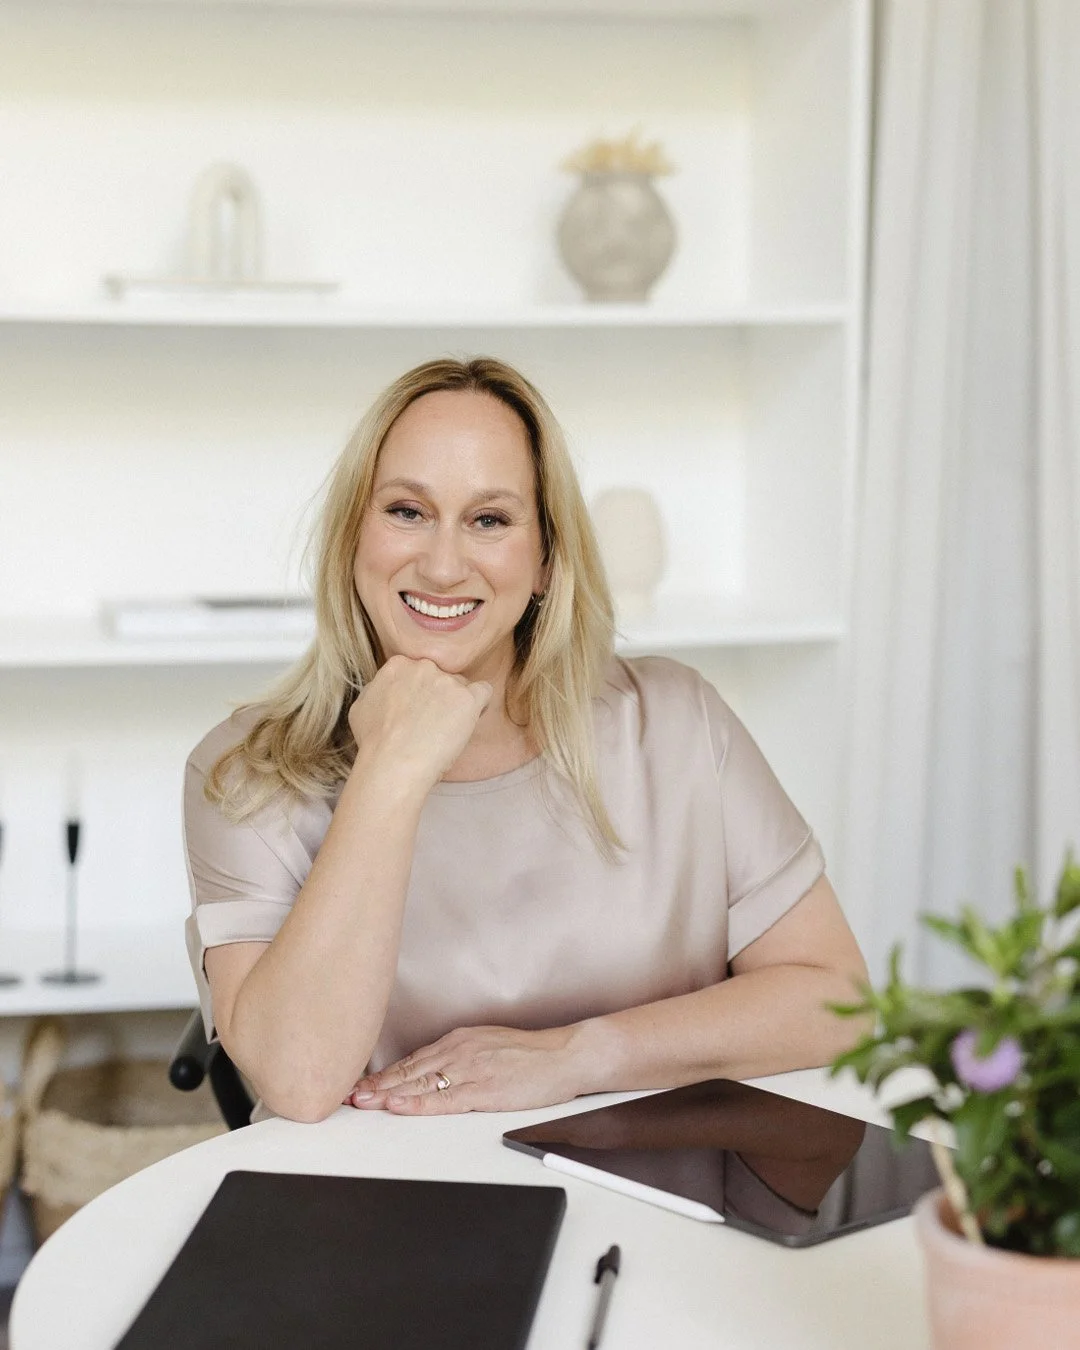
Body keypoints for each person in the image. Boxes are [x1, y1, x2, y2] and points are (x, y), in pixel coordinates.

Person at [183, 355, 868, 1125]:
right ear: (352, 537)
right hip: (385, 1188)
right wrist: (391, 768)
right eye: (406, 511)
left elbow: (836, 999)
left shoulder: (676, 723)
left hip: (654, 1172)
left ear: (545, 559)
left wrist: (578, 1057)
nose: (442, 565)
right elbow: (298, 1080)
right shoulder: (248, 773)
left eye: (490, 520)